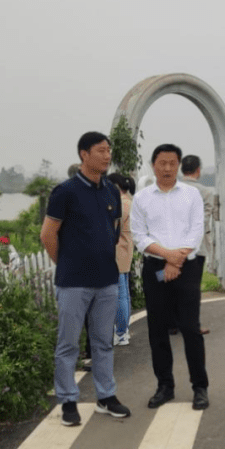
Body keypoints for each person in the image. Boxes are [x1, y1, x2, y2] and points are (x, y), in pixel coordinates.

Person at [40, 132, 130, 426]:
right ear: (83, 154)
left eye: (108, 151)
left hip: (106, 280)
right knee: (68, 344)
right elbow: (47, 235)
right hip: (73, 282)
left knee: (103, 342)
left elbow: (113, 231)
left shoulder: (111, 192)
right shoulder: (64, 192)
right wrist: (65, 263)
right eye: (101, 151)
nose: (107, 156)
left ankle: (106, 396)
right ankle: (68, 401)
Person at [130, 143, 210, 411]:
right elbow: (140, 236)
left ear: (178, 165)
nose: (166, 168)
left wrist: (177, 259)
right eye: (162, 163)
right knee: (158, 330)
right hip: (155, 267)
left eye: (172, 163)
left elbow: (196, 230)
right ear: (153, 165)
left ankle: (200, 387)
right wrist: (168, 256)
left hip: (187, 266)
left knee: (190, 327)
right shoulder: (142, 198)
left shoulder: (191, 195)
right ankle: (165, 386)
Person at [109, 173, 136, 346]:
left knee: (120, 294)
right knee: (124, 293)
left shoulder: (121, 203)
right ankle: (123, 330)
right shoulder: (131, 202)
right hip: (126, 248)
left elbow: (111, 226)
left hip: (118, 249)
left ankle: (120, 332)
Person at [180, 155, 219, 274]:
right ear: (198, 170)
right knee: (194, 280)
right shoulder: (206, 192)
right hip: (198, 244)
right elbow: (204, 219)